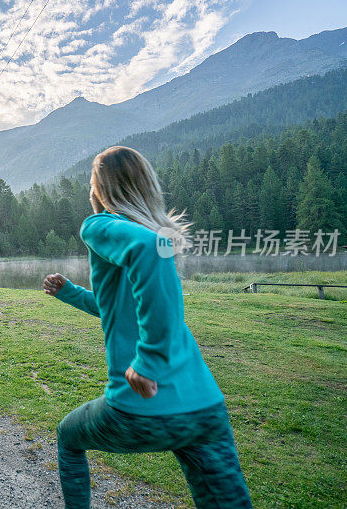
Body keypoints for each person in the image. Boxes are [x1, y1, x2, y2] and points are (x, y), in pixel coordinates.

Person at [43, 146, 251, 508]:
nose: (89, 193)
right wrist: (70, 293)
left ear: (103, 191)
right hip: (204, 409)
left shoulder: (101, 225)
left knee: (67, 436)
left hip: (141, 407)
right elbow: (120, 310)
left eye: (92, 184)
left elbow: (146, 249)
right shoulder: (161, 235)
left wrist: (149, 361)